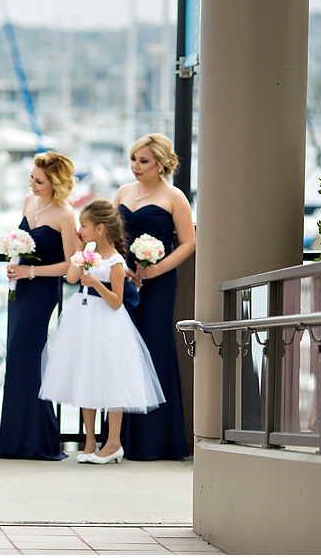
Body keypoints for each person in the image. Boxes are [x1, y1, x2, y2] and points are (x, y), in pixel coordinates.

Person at [39, 200, 165, 465]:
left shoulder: (116, 262)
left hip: (107, 321)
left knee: (111, 379)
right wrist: (81, 253)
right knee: (86, 375)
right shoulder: (87, 252)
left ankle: (114, 443)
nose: (79, 229)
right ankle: (90, 442)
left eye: (83, 226)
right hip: (83, 317)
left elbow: (117, 301)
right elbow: (72, 278)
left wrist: (96, 281)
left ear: (99, 228)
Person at [113, 133, 196, 461]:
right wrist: (124, 268)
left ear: (161, 164)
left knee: (155, 348)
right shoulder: (122, 191)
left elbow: (189, 243)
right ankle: (122, 440)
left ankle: (158, 441)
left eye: (143, 161)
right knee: (124, 349)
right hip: (125, 282)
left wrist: (155, 270)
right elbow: (111, 234)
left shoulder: (174, 196)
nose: (135, 166)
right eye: (133, 159)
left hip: (159, 284)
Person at [0, 152, 79, 461]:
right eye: (31, 177)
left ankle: (36, 441)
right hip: (20, 292)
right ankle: (16, 440)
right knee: (17, 360)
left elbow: (71, 267)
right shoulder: (30, 203)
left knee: (28, 361)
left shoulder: (65, 214)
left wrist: (31, 271)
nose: (32, 183)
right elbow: (22, 241)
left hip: (43, 293)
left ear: (55, 183)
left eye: (39, 180)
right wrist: (15, 263)